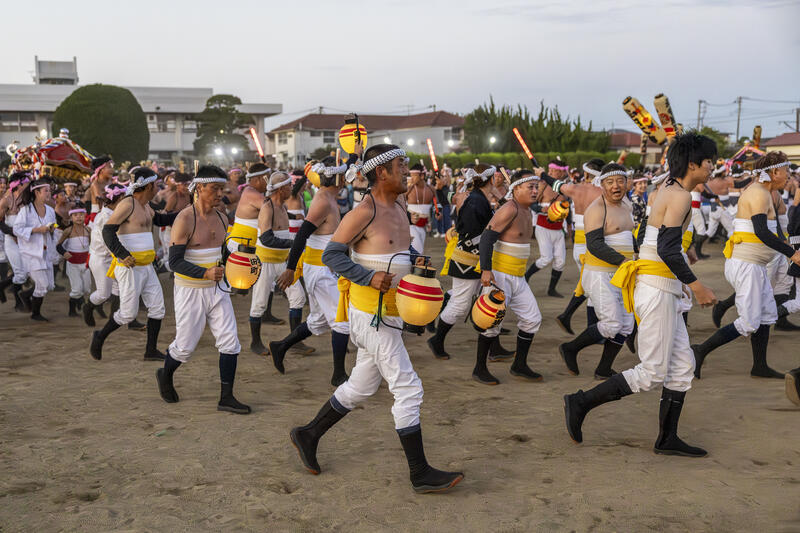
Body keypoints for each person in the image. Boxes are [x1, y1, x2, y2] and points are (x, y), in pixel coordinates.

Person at [290, 143, 464, 493]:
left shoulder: (399, 204)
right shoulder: (363, 212)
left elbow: (400, 249)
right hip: (370, 315)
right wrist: (369, 277)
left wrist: (415, 261)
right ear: (381, 172)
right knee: (409, 389)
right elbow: (331, 255)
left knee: (361, 386)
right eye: (401, 165)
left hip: (392, 311)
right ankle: (419, 473)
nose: (407, 170)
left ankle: (308, 434)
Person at [563, 131, 718, 457]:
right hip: (657, 289)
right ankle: (580, 402)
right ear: (693, 164)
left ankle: (667, 439)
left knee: (682, 366)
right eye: (709, 162)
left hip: (663, 287)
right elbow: (667, 249)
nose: (712, 168)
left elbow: (662, 245)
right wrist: (697, 286)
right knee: (651, 372)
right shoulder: (678, 196)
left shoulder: (670, 189)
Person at [692, 151, 800, 379]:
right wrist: (792, 253)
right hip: (746, 265)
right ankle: (700, 350)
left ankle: (759, 366)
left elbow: (774, 231)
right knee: (750, 321)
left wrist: (789, 249)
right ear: (774, 172)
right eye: (786, 171)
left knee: (765, 315)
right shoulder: (759, 194)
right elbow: (761, 232)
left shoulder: (768, 193)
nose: (789, 175)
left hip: (756, 266)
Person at [156, 165, 250, 414]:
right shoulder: (185, 218)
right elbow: (174, 263)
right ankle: (164, 374)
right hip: (190, 291)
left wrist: (242, 269)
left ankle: (226, 397)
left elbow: (226, 252)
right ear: (199, 188)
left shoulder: (221, 217)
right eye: (214, 188)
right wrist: (205, 272)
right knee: (185, 346)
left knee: (230, 342)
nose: (220, 193)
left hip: (218, 289)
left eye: (222, 188)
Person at [272, 156, 352, 386]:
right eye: (344, 174)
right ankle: (338, 375)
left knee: (319, 320)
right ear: (336, 176)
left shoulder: (330, 197)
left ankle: (281, 346)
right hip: (320, 270)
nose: (348, 178)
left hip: (327, 268)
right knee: (341, 322)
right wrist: (289, 269)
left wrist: (355, 151)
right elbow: (301, 235)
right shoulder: (323, 201)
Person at [89, 168, 177, 361]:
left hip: (146, 266)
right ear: (149, 185)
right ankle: (100, 336)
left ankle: (150, 351)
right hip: (129, 267)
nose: (158, 188)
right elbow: (107, 231)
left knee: (157, 308)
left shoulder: (145, 205)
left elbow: (161, 219)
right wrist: (122, 254)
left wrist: (190, 211)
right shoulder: (127, 204)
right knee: (128, 314)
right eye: (156, 184)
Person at [428, 164, 512, 361]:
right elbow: (473, 234)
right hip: (468, 261)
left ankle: (495, 346)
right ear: (490, 180)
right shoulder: (475, 202)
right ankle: (437, 340)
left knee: (490, 299)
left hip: (477, 260)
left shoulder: (478, 199)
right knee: (460, 304)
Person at [558, 164, 636, 379]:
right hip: (600, 274)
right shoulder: (596, 209)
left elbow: (631, 237)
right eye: (610, 182)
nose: (616, 186)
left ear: (627, 182)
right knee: (612, 324)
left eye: (620, 181)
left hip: (624, 273)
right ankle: (570, 348)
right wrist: (623, 261)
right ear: (601, 185)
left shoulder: (627, 206)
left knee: (627, 326)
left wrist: (636, 258)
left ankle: (603, 369)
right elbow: (594, 244)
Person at [474, 169, 544, 385]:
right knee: (491, 323)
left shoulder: (527, 210)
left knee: (532, 319)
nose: (535, 191)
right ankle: (479, 368)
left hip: (518, 276)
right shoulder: (509, 209)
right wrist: (486, 270)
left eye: (536, 187)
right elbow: (486, 239)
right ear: (516, 188)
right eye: (529, 187)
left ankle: (519, 365)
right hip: (500, 275)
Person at [544, 158, 604, 334]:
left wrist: (542, 174)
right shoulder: (604, 193)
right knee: (591, 286)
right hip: (594, 245)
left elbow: (556, 185)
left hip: (579, 245)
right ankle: (580, 322)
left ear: (586, 173)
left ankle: (585, 325)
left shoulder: (576, 189)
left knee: (589, 285)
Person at [249, 172, 294, 355]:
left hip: (282, 261)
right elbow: (267, 239)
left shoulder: (282, 206)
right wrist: (292, 243)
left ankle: (295, 341)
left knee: (297, 296)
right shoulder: (267, 208)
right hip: (266, 261)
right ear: (282, 189)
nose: (292, 188)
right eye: (290, 185)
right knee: (259, 303)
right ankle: (255, 343)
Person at [12, 178, 57, 321]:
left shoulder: (50, 210)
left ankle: (25, 295)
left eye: (50, 191)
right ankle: (35, 314)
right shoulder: (26, 210)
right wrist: (37, 229)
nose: (49, 193)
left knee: (49, 285)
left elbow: (53, 227)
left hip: (46, 251)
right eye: (46, 191)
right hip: (31, 252)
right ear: (36, 192)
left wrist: (51, 230)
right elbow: (17, 229)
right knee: (43, 285)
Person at [525, 158, 570, 298]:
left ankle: (552, 289)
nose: (549, 172)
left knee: (561, 261)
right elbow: (530, 202)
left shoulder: (566, 188)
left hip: (558, 229)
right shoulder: (542, 185)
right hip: (543, 226)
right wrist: (541, 209)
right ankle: (525, 278)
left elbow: (568, 209)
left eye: (552, 171)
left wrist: (568, 225)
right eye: (549, 170)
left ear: (561, 173)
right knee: (546, 258)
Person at [284, 171, 311, 352]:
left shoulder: (301, 197)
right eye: (306, 183)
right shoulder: (291, 198)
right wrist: (295, 218)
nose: (308, 186)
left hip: (299, 238)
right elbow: (284, 216)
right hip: (290, 239)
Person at [0, 173, 31, 311]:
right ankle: (19, 303)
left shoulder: (29, 197)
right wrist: (13, 232)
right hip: (11, 240)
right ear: (18, 184)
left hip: (26, 238)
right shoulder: (5, 200)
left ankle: (3, 286)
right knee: (20, 273)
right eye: (27, 183)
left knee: (26, 271)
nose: (29, 185)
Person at [56, 204, 92, 316]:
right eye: (75, 215)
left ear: (85, 215)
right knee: (77, 289)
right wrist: (64, 252)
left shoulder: (88, 230)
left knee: (86, 289)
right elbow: (58, 246)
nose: (79, 217)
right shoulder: (68, 231)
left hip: (85, 264)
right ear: (71, 217)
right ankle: (72, 311)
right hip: (73, 265)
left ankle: (79, 300)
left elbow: (92, 245)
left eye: (81, 214)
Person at [405, 163, 440, 254]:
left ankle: (413, 267)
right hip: (411, 226)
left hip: (424, 226)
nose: (411, 178)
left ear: (422, 176)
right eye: (410, 176)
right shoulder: (408, 189)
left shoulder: (431, 189)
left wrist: (438, 212)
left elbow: (437, 204)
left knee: (419, 251)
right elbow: (400, 205)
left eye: (414, 176)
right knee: (417, 251)